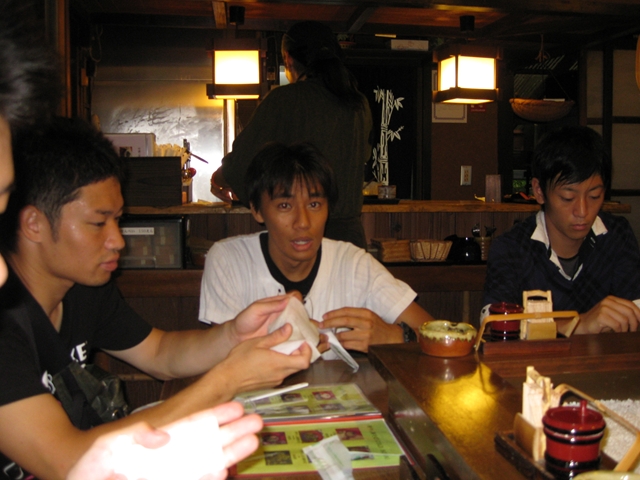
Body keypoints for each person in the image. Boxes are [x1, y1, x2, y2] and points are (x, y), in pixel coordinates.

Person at [0, 116, 312, 480]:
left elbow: (159, 353)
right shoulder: (6, 326)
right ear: (34, 224)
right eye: (99, 223)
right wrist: (228, 380)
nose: (118, 240)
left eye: (118, 220)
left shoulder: (82, 289)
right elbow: (67, 461)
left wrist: (234, 335)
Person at [200, 142, 434, 353]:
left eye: (314, 204)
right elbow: (220, 357)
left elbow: (437, 336)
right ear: (257, 210)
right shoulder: (229, 260)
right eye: (284, 205)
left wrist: (396, 336)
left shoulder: (354, 264)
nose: (303, 222)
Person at [210, 20, 373, 249]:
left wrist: (219, 178)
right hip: (351, 243)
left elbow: (242, 164)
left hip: (304, 239)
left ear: (288, 59)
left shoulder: (285, 99)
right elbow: (363, 156)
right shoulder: (358, 104)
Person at [482, 125, 640, 335]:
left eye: (594, 196)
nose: (582, 211)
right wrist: (578, 324)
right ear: (539, 191)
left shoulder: (616, 235)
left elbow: (636, 309)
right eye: (568, 198)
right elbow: (493, 326)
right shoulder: (511, 248)